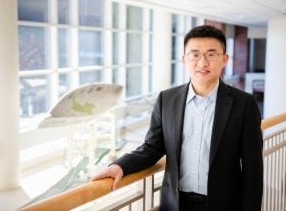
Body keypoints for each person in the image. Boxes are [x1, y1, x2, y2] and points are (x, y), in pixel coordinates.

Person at [91, 25, 263, 211]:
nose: (202, 62)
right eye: (194, 54)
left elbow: (253, 169)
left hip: (224, 204)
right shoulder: (167, 99)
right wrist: (120, 166)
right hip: (176, 203)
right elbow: (152, 147)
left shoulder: (244, 104)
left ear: (224, 59)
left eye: (211, 54)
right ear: (184, 59)